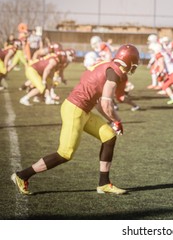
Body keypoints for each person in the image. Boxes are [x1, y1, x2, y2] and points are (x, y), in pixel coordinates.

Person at [11, 44, 140, 195]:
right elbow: (106, 103)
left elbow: (99, 103)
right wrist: (117, 120)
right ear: (129, 61)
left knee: (109, 136)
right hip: (75, 109)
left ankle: (104, 183)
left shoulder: (107, 65)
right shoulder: (114, 74)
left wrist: (111, 120)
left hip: (81, 109)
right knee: (65, 153)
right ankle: (22, 175)